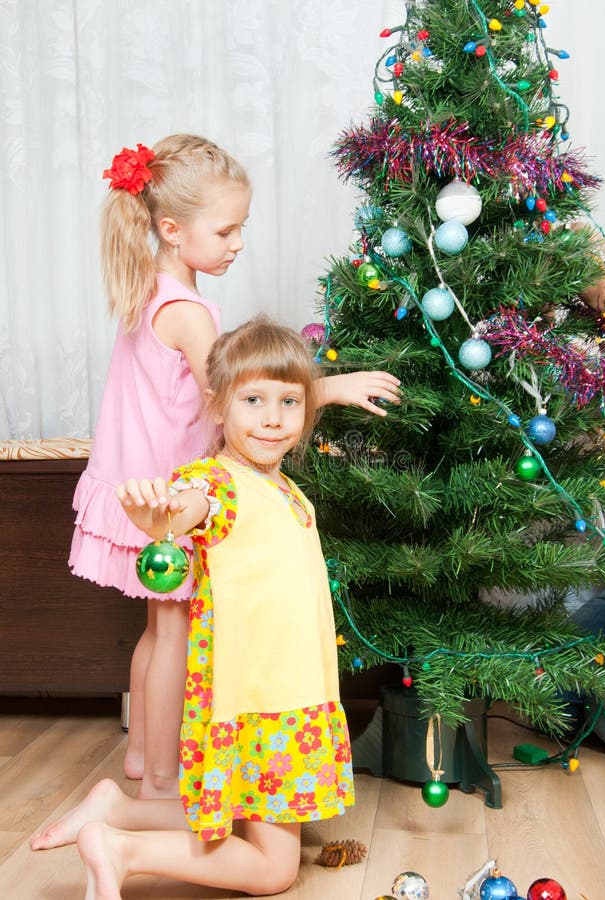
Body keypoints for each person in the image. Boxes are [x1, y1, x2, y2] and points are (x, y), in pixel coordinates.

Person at [71, 132, 400, 800]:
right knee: (174, 632)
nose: (238, 244)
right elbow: (235, 396)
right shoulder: (187, 312)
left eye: (240, 228)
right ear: (172, 229)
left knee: (157, 628)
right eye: (225, 231)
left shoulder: (151, 288)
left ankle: (141, 755)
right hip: (173, 496)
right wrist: (327, 388)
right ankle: (160, 779)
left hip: (138, 483)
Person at [32, 317, 355, 900]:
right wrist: (159, 516)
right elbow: (190, 506)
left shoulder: (281, 487)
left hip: (288, 700)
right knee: (275, 870)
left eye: (288, 402)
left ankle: (120, 811)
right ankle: (124, 850)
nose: (272, 418)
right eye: (253, 400)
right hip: (261, 707)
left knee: (239, 818)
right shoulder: (220, 483)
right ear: (216, 406)